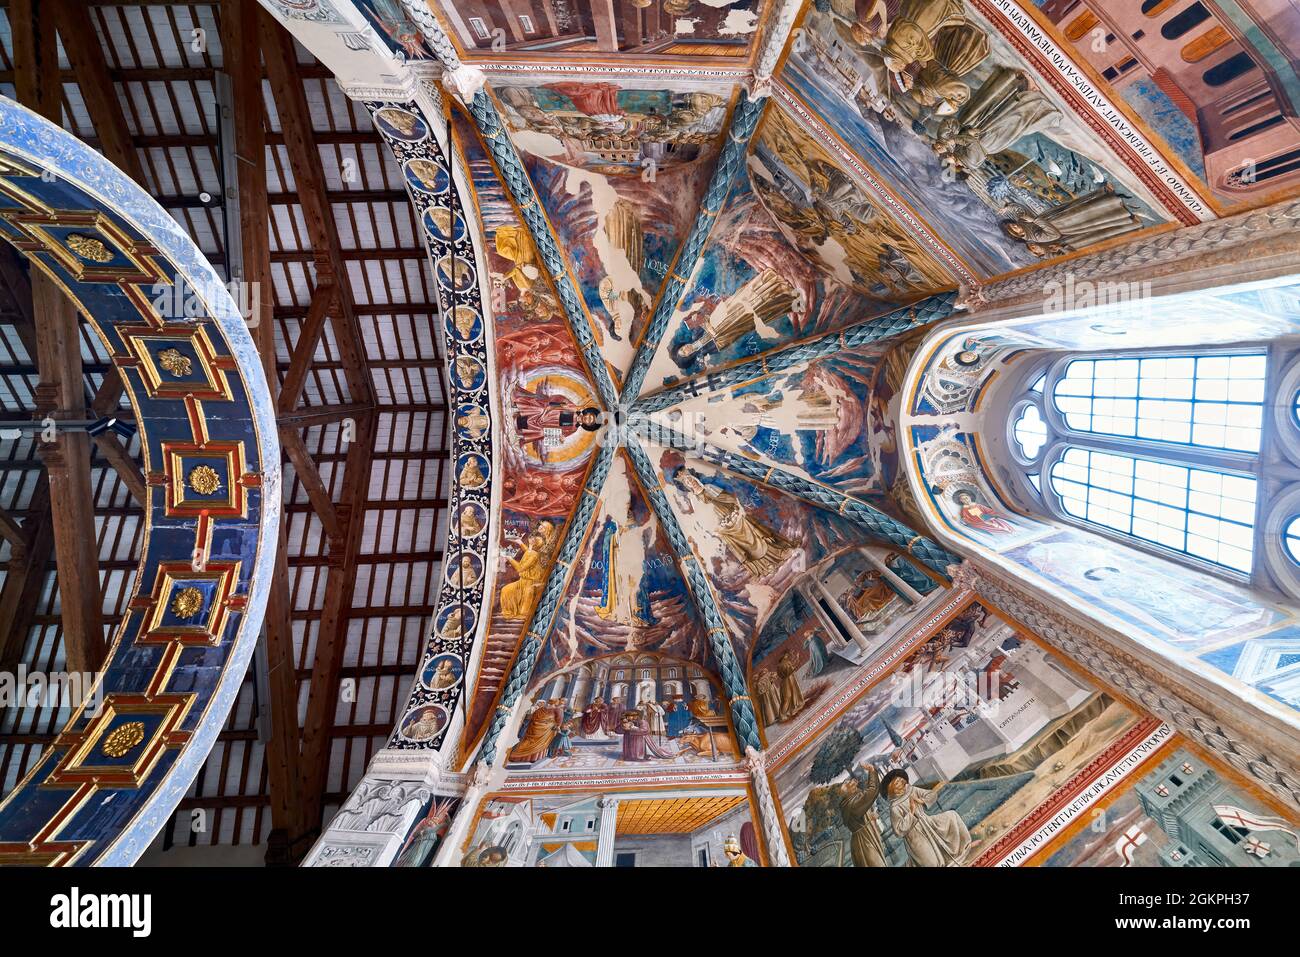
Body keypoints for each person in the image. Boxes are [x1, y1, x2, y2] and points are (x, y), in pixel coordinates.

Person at [673, 469, 796, 577]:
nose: (691, 482)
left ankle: (779, 552)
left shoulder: (709, 488)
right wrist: (717, 528)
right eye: (688, 482)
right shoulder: (695, 500)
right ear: (687, 486)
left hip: (733, 515)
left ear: (694, 478)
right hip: (724, 527)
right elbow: (703, 519)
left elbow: (728, 498)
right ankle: (765, 566)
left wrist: (736, 509)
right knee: (745, 547)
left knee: (755, 534)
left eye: (690, 479)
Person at [883, 769, 971, 866]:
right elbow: (898, 831)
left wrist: (921, 801)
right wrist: (911, 812)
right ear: (892, 788)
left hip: (928, 822)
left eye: (902, 782)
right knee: (932, 863)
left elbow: (931, 794)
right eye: (898, 784)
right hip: (915, 836)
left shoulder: (911, 790)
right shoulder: (894, 807)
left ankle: (960, 849)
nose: (902, 785)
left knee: (952, 816)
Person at [837, 767, 888, 867]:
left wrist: (870, 816)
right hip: (864, 843)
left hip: (862, 840)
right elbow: (872, 791)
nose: (854, 781)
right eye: (849, 783)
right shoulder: (853, 804)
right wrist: (872, 771)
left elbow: (859, 818)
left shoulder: (847, 804)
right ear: (848, 792)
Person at [500, 531, 548, 620]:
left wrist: (509, 558)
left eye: (534, 539)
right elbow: (528, 552)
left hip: (529, 583)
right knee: (505, 590)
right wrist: (520, 543)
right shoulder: (530, 552)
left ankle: (513, 613)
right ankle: (508, 612)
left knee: (523, 613)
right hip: (522, 582)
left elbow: (520, 568)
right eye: (532, 538)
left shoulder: (534, 555)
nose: (532, 540)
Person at [509, 699, 561, 764]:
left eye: (551, 703)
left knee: (532, 743)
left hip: (542, 730)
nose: (549, 705)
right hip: (543, 730)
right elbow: (559, 721)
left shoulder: (543, 709)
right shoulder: (552, 710)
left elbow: (534, 717)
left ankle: (519, 756)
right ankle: (527, 757)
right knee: (535, 743)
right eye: (550, 703)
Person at [777, 649, 806, 721]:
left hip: (788, 680)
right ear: (784, 656)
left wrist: (796, 660)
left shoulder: (781, 664)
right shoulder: (784, 663)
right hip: (788, 680)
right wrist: (797, 660)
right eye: (787, 654)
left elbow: (789, 669)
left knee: (793, 693)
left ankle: (794, 707)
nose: (788, 656)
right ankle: (782, 714)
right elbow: (790, 670)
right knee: (788, 697)